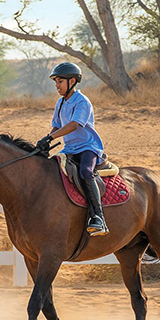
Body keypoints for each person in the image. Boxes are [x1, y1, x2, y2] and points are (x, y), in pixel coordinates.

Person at [36, 62, 109, 237]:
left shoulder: (83, 102)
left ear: (73, 81)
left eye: (60, 81)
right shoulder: (60, 102)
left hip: (88, 147)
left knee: (85, 171)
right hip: (70, 148)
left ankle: (98, 217)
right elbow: (57, 126)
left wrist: (52, 137)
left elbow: (74, 125)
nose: (57, 85)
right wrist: (46, 139)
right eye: (56, 82)